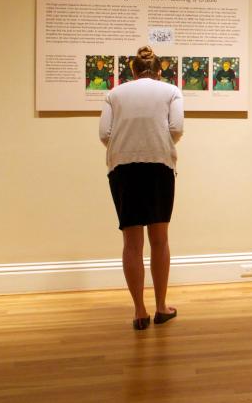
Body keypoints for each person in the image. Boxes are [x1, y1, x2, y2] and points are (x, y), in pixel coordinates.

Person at [99, 45, 183, 330]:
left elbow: (104, 134)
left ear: (132, 71)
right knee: (159, 240)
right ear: (159, 71)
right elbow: (177, 128)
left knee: (131, 243)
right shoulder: (170, 91)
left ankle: (139, 312)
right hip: (159, 165)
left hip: (123, 167)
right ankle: (161, 307)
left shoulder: (114, 94)